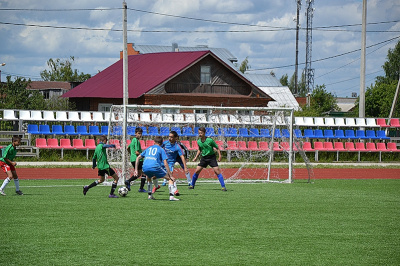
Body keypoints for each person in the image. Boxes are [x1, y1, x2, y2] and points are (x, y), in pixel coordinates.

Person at [135, 136, 179, 201]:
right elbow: (165, 163)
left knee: (149, 177)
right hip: (155, 167)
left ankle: (150, 195)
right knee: (170, 179)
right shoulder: (161, 149)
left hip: (145, 167)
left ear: (154, 142)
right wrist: (171, 175)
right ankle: (171, 196)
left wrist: (135, 170)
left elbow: (138, 157)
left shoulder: (148, 148)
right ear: (161, 143)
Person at [189, 127, 227, 191]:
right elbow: (199, 149)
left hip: (211, 157)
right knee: (197, 171)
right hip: (204, 158)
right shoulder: (199, 141)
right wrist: (196, 157)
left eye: (201, 133)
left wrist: (220, 156)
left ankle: (223, 186)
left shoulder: (210, 140)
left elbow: (217, 148)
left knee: (217, 171)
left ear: (204, 133)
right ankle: (192, 185)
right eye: (199, 133)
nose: (200, 134)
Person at [161, 131, 191, 196]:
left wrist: (185, 167)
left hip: (170, 163)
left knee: (170, 175)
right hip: (163, 162)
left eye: (171, 137)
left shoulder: (177, 146)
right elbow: (158, 147)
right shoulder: (165, 143)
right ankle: (154, 187)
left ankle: (175, 190)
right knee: (154, 175)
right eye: (169, 136)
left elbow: (182, 157)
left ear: (175, 138)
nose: (169, 138)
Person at [125, 127, 147, 192]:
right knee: (143, 173)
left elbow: (127, 148)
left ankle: (128, 181)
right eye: (139, 133)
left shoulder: (132, 140)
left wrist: (132, 154)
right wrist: (144, 155)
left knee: (139, 173)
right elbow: (137, 152)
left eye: (141, 133)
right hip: (138, 159)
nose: (140, 135)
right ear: (135, 133)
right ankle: (141, 188)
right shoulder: (136, 141)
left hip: (132, 159)